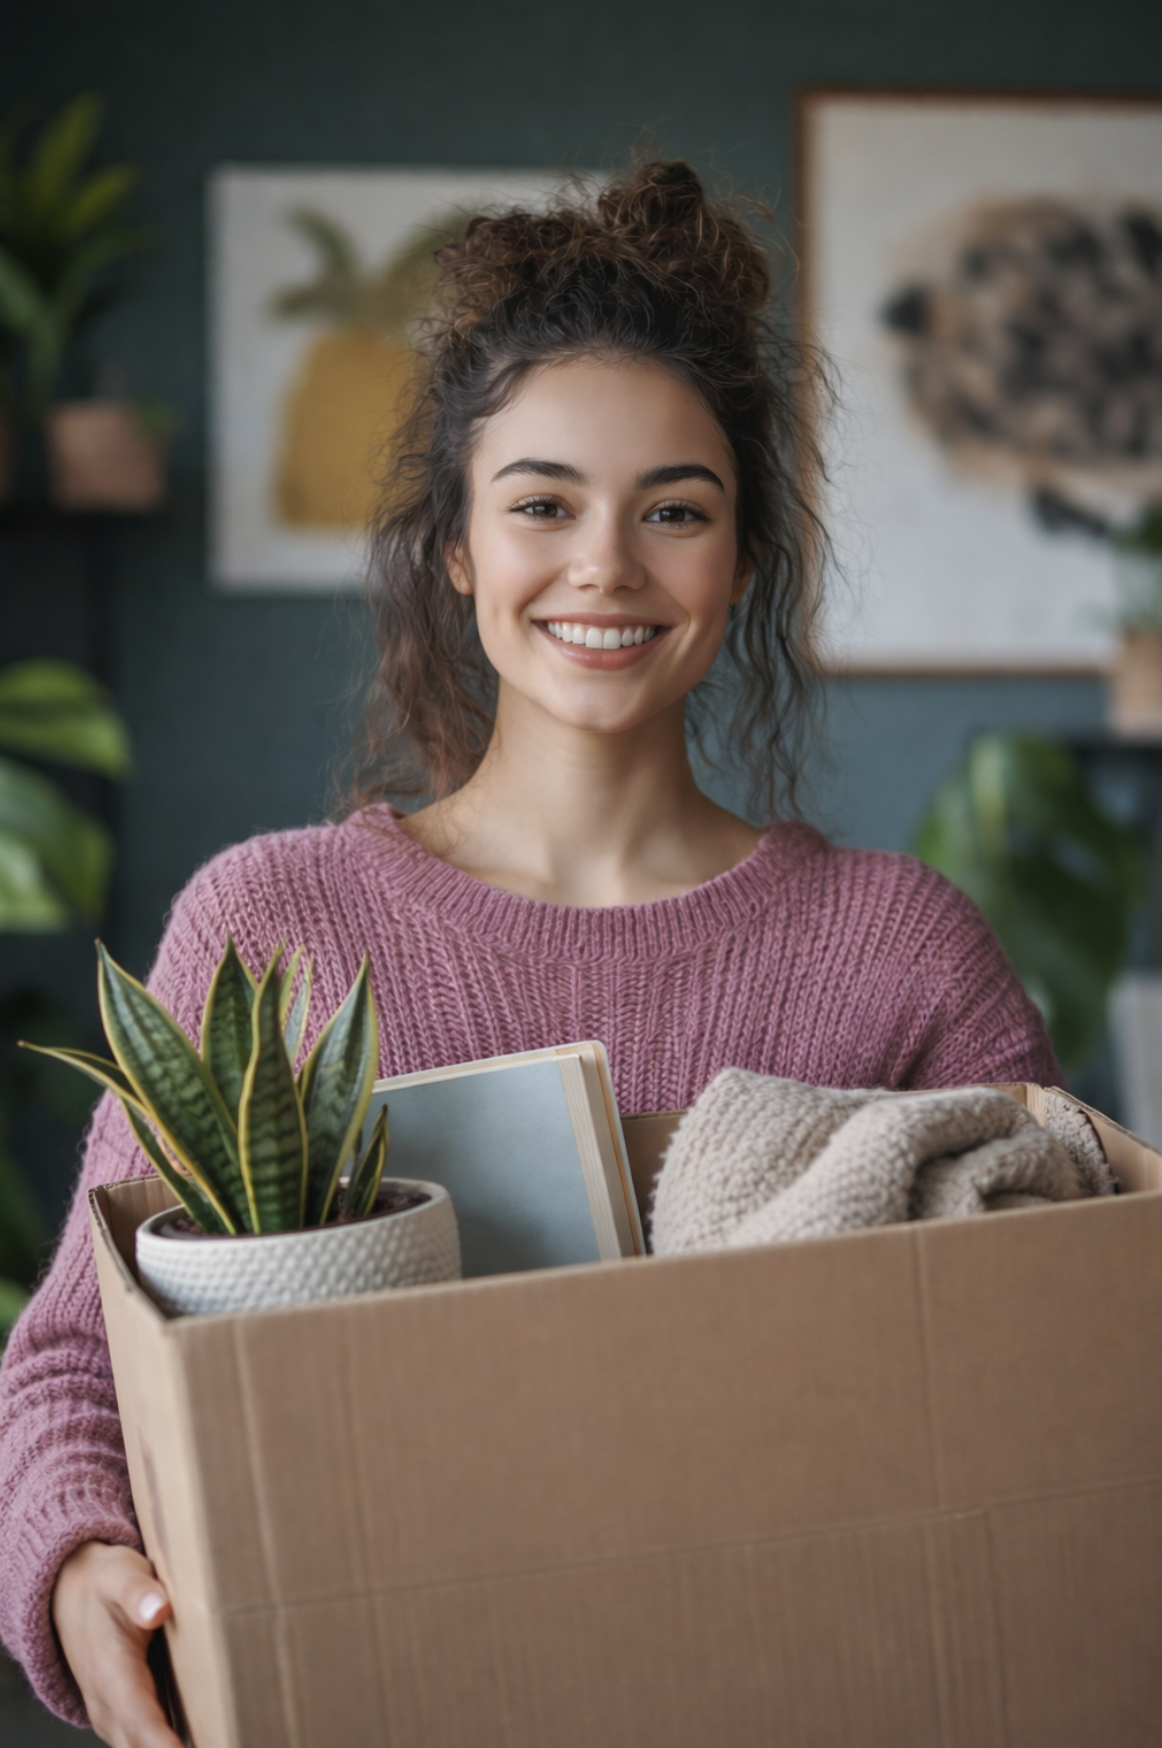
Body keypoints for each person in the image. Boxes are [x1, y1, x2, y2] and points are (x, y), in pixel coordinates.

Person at [0, 160, 1059, 1746]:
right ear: (453, 546)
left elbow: (1063, 1368)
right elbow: (75, 1360)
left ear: (744, 558)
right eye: (542, 503)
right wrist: (79, 1551)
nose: (605, 568)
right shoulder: (271, 928)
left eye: (675, 513)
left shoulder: (897, 952)